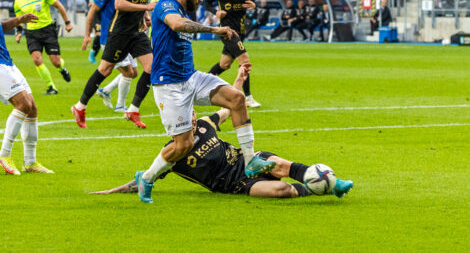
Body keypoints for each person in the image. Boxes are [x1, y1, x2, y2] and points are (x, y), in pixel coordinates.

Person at [91, 67, 354, 198]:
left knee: (277, 164)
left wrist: (238, 80)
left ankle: (333, 183)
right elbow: (142, 179)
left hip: (245, 161)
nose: (193, 119)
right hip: (235, 184)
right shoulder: (173, 153)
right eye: (188, 117)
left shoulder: (206, 123)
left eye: (193, 115)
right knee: (282, 190)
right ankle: (318, 186)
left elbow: (230, 108)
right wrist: (109, 192)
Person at [136, 0, 277, 204]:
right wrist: (214, 29)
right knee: (184, 145)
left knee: (237, 99)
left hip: (191, 77)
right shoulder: (165, 5)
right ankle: (147, 177)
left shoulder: (183, 8)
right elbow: (177, 25)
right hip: (169, 86)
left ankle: (251, 160)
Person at [71, 0, 156, 129]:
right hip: (119, 32)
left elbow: (141, 1)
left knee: (151, 67)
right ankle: (80, 107)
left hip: (137, 32)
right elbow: (119, 4)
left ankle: (133, 109)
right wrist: (147, 8)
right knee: (105, 69)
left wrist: (145, 16)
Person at [0, 13, 54, 175]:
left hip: (7, 62)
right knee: (23, 104)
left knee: (32, 108)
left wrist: (19, 20)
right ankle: (4, 155)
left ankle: (30, 162)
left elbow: (1, 27)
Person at [203, 0, 261, 108]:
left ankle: (202, 86)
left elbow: (252, 3)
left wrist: (254, 5)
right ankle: (247, 97)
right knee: (245, 60)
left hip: (241, 30)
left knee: (225, 64)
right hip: (227, 31)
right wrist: (215, 12)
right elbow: (206, 3)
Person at [82, 0, 138, 113]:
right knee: (127, 72)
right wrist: (88, 34)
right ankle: (120, 105)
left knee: (134, 72)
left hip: (127, 37)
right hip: (110, 38)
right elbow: (92, 11)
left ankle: (106, 91)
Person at [14, 0, 72, 95]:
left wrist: (67, 22)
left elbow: (59, 6)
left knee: (56, 62)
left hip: (47, 30)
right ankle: (51, 86)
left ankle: (62, 69)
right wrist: (19, 32)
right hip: (31, 33)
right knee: (36, 60)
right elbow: (19, 19)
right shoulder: (18, 1)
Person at [85, 0, 110, 64]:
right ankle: (92, 53)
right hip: (96, 15)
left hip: (106, 15)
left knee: (103, 36)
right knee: (99, 34)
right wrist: (89, 3)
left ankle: (94, 55)